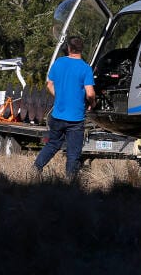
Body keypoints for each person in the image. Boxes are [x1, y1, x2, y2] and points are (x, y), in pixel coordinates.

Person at [33, 35, 95, 183]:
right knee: (73, 153)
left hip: (57, 115)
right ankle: (70, 181)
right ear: (81, 49)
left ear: (68, 48)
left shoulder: (58, 63)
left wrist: (60, 96)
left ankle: (36, 168)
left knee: (53, 144)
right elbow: (90, 93)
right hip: (75, 119)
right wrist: (93, 103)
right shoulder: (85, 68)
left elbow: (49, 84)